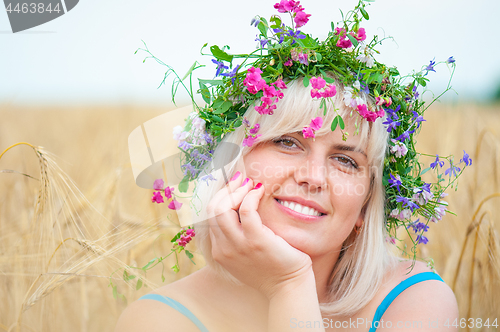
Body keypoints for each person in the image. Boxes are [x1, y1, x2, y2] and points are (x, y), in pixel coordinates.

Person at [116, 1, 465, 330]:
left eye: (345, 160)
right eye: (287, 142)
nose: (313, 177)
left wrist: (287, 285)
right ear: (229, 161)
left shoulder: (413, 302)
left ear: (365, 205)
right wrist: (287, 283)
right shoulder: (158, 321)